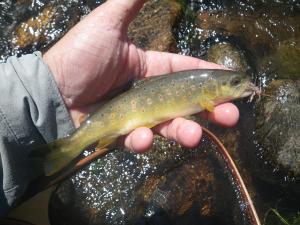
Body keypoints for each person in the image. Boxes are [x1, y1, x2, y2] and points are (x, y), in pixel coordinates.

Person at [0, 0, 239, 216]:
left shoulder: (206, 91)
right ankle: (66, 148)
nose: (238, 87)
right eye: (234, 84)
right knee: (80, 143)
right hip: (108, 114)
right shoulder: (206, 95)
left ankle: (59, 148)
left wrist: (39, 92)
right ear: (212, 89)